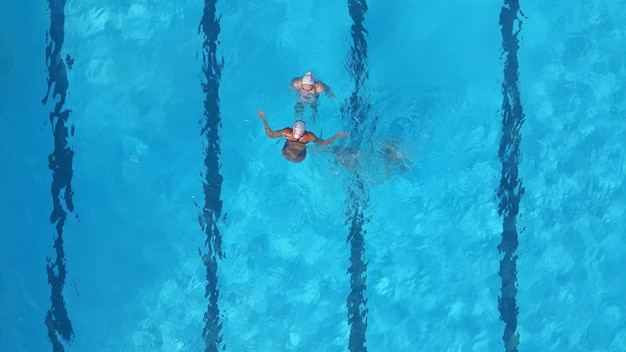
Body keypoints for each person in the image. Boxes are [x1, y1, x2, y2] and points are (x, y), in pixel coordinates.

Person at [257, 109, 347, 163]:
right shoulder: (309, 136)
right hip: (299, 152)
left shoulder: (287, 132)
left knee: (294, 154)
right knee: (322, 150)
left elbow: (270, 134)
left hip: (292, 151)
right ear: (304, 131)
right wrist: (337, 135)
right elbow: (323, 144)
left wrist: (264, 119)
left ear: (293, 129)